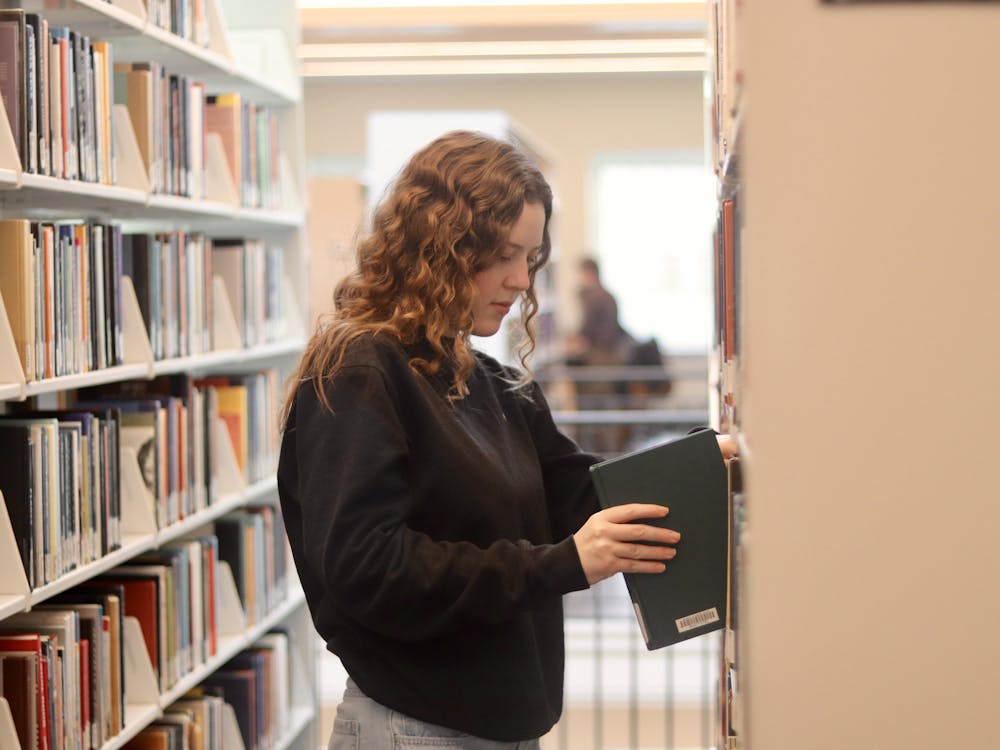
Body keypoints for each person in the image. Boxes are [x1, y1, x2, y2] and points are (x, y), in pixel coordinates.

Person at [277, 130, 736, 749]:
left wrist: (699, 469)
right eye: (503, 255)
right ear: (438, 247)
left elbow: (573, 490)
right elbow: (367, 568)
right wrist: (561, 563)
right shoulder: (363, 370)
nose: (521, 279)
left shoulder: (486, 378)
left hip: (498, 727)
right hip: (416, 728)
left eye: (531, 258)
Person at [565, 257, 634, 369]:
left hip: (602, 356)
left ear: (590, 273)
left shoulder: (597, 298)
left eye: (581, 274)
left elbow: (593, 331)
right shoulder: (604, 295)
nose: (579, 279)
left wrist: (580, 343)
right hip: (606, 353)